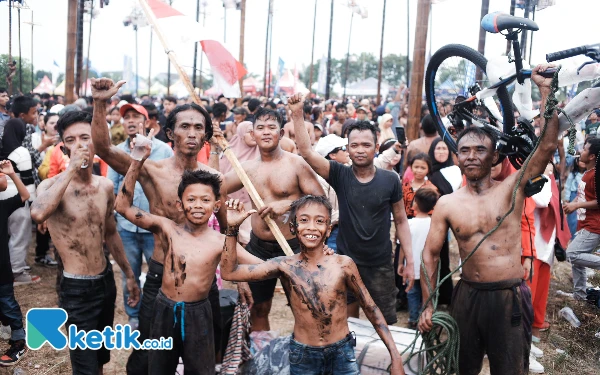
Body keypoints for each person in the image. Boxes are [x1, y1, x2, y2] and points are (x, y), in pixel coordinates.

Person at [418, 64, 558, 375]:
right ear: (457, 157)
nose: (470, 156)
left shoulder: (513, 188)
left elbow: (546, 146)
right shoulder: (447, 204)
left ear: (494, 157)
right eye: (464, 150)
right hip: (467, 295)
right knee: (462, 366)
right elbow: (429, 253)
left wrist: (545, 92)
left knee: (508, 369)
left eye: (480, 150)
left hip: (508, 296)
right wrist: (428, 304)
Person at [89, 77, 230, 375]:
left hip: (203, 280)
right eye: (184, 126)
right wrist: (100, 104)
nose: (191, 133)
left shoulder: (213, 179)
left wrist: (237, 280)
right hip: (160, 275)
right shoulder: (151, 170)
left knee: (204, 358)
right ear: (170, 133)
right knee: (147, 358)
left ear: (206, 135)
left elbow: (224, 230)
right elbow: (102, 147)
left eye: (198, 128)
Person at [114, 142, 262, 375]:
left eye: (205, 200)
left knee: (201, 369)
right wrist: (136, 161)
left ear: (216, 205)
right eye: (191, 200)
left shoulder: (220, 241)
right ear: (179, 204)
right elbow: (122, 206)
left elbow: (259, 264)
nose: (197, 206)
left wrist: (300, 261)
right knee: (159, 368)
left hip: (199, 313)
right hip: (164, 308)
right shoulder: (167, 228)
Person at [221, 196, 405, 375]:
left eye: (319, 221)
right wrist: (232, 228)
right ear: (293, 227)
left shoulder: (343, 265)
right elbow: (229, 272)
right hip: (303, 356)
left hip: (342, 352)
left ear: (328, 229)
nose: (311, 227)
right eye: (304, 220)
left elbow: (371, 308)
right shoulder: (285, 266)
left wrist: (395, 358)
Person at [30, 110, 140, 374]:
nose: (79, 145)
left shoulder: (104, 186)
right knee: (85, 367)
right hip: (75, 289)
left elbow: (111, 233)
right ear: (63, 147)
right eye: (71, 140)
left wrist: (129, 275)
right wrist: (69, 170)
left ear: (95, 143)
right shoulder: (51, 186)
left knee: (101, 358)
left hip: (105, 282)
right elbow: (38, 214)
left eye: (85, 138)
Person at [289, 93, 414, 325]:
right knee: (347, 322)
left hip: (380, 264)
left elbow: (401, 221)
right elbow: (307, 152)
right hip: (345, 262)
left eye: (366, 145)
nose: (359, 150)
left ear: (376, 147)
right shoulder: (340, 174)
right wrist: (297, 114)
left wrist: (409, 260)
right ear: (347, 147)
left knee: (382, 324)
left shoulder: (390, 179)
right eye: (354, 145)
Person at [223, 106, 325, 331]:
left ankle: (304, 355)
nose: (266, 132)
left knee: (303, 305)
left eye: (272, 127)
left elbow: (321, 199)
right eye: (260, 127)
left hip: (292, 246)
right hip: (258, 247)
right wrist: (213, 149)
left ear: (281, 133)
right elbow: (216, 186)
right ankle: (264, 357)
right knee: (258, 307)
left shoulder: (295, 164)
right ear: (253, 135)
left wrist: (288, 204)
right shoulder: (247, 169)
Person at [108, 103, 173, 329]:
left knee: (160, 272)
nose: (131, 121)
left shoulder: (163, 150)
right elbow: (113, 188)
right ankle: (133, 315)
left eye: (136, 117)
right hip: (127, 227)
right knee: (130, 273)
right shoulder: (117, 150)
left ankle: (157, 314)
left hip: (154, 227)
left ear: (146, 123)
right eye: (127, 118)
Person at [0, 99, 40, 285]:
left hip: (1, 199)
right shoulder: (20, 152)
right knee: (19, 235)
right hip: (17, 198)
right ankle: (17, 272)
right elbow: (29, 182)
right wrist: (32, 205)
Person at [0, 160, 30, 366]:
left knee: (8, 304)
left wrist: (12, 174)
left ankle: (19, 341)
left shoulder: (2, 205)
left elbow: (25, 196)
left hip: (1, 270)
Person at [564, 137, 600, 300]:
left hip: (594, 226)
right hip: (584, 223)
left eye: (585, 149)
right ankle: (580, 295)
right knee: (577, 262)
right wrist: (571, 204)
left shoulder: (596, 174)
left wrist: (576, 206)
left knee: (572, 254)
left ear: (592, 156)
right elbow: (583, 196)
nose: (581, 151)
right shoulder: (588, 172)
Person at [219, 121, 259, 246]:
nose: (253, 135)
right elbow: (220, 179)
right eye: (249, 132)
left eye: (255, 131)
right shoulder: (228, 154)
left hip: (254, 205)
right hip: (231, 204)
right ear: (241, 134)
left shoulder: (263, 153)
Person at [405, 188, 438, 329]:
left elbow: (402, 246)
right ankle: (424, 317)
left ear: (415, 203)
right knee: (428, 293)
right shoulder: (434, 224)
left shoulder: (409, 224)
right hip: (428, 268)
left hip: (412, 267)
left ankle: (413, 318)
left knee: (412, 293)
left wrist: (401, 263)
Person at [402, 153, 435, 219]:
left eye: (423, 168)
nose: (419, 171)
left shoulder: (431, 189)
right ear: (411, 167)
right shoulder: (404, 186)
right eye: (416, 167)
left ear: (428, 170)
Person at [564, 158, 586, 239]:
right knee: (573, 219)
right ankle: (572, 236)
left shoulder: (587, 174)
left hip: (583, 197)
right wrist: (567, 199)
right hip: (574, 195)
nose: (583, 162)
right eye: (581, 161)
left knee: (581, 217)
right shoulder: (573, 174)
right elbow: (567, 186)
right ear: (576, 162)